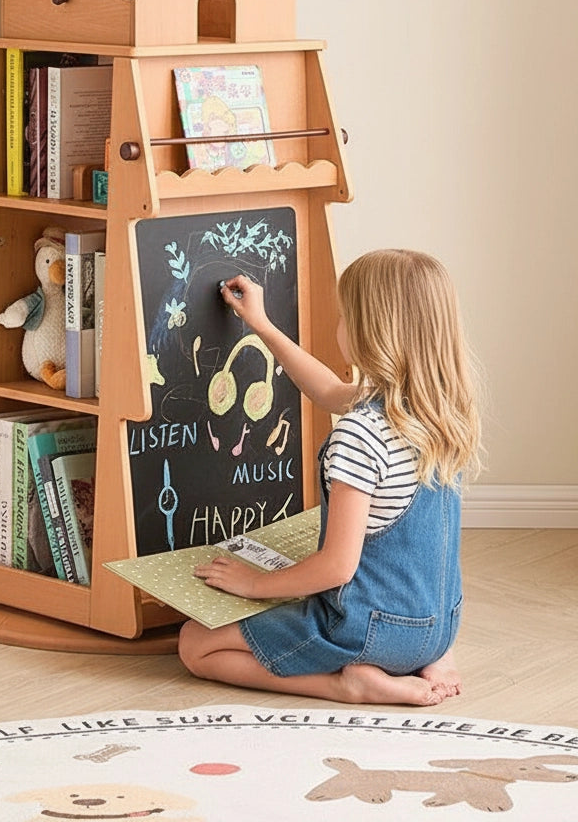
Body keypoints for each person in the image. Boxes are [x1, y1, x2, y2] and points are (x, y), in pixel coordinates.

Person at [176, 249, 482, 706]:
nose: (338, 325)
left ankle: (347, 683)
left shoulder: (361, 434)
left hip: (371, 630)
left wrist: (254, 585)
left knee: (195, 644)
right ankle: (430, 660)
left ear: (369, 332)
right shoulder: (438, 410)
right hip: (438, 625)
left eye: (343, 316)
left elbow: (337, 567)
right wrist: (262, 324)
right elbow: (327, 391)